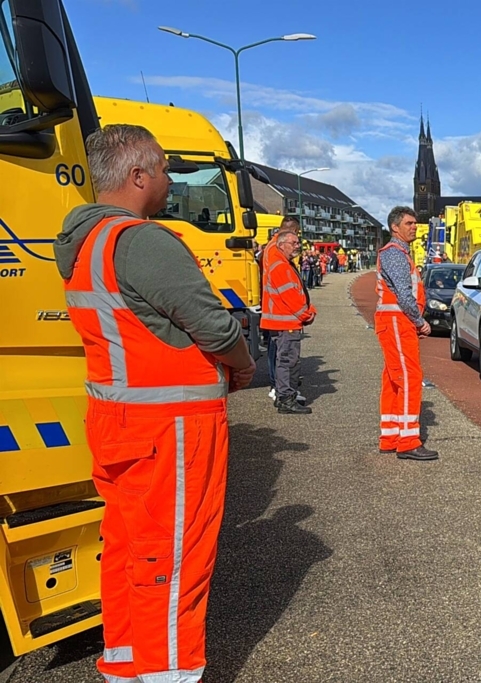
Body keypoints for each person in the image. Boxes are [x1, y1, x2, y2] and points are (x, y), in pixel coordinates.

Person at [55, 124, 256, 683]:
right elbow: (213, 326)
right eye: (164, 169)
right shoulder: (141, 242)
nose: (169, 180)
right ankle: (168, 673)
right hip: (171, 428)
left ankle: (124, 663)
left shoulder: (82, 244)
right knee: (173, 558)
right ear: (138, 176)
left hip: (117, 419)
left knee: (125, 550)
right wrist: (242, 365)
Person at [376, 206, 437, 461]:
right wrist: (419, 321)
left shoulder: (397, 253)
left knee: (393, 378)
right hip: (398, 322)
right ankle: (409, 440)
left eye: (416, 223)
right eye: (409, 223)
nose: (415, 226)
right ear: (395, 227)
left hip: (394, 322)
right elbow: (404, 294)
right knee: (410, 377)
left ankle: (390, 435)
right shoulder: (395, 254)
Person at [262, 230, 317, 414]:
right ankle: (286, 398)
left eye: (297, 243)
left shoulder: (281, 263)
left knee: (285, 360)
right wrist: (307, 314)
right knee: (288, 362)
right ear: (282, 244)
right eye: (293, 243)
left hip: (283, 322)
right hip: (286, 323)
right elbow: (291, 297)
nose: (297, 246)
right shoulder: (280, 266)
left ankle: (284, 396)